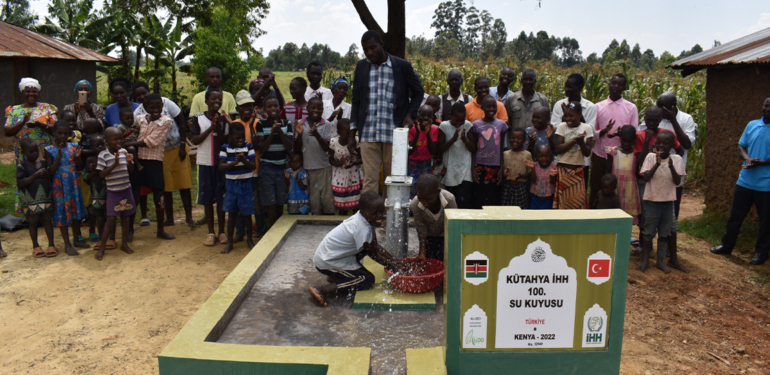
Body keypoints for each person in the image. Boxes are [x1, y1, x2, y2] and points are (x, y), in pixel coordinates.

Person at [350, 30, 424, 196]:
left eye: (373, 48)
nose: (370, 53)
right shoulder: (362, 67)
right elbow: (356, 100)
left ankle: (388, 219)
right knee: (370, 179)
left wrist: (410, 114)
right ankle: (368, 218)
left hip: (394, 132)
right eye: (366, 50)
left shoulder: (401, 66)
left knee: (393, 179)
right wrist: (352, 131)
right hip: (368, 132)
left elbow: (418, 92)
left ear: (381, 45)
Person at [309, 192, 410, 307]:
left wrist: (395, 261)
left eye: (382, 212)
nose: (379, 216)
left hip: (333, 255)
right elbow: (374, 254)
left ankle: (337, 276)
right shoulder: (362, 228)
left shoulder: (365, 219)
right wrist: (394, 266)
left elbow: (375, 247)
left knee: (365, 249)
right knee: (366, 279)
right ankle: (323, 289)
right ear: (363, 211)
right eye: (375, 213)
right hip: (327, 261)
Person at [711, 97, 770, 266]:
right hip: (745, 181)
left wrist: (761, 163)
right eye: (766, 105)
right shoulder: (752, 125)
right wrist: (747, 159)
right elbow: (740, 146)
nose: (768, 109)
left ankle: (761, 252)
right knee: (735, 216)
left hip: (766, 184)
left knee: (766, 220)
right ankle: (726, 246)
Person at [132, 81, 195, 229]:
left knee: (184, 185)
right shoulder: (139, 113)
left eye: (144, 93)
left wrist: (182, 145)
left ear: (149, 91)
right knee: (166, 187)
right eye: (138, 95)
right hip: (159, 154)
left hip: (177, 148)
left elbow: (182, 123)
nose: (142, 96)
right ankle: (170, 218)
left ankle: (189, 217)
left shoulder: (166, 103)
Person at [642, 92, 696, 259]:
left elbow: (686, 144)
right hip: (653, 175)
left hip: (672, 177)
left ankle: (666, 247)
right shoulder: (654, 118)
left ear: (672, 106)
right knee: (650, 213)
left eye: (662, 107)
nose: (659, 110)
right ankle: (647, 244)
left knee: (671, 214)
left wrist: (673, 120)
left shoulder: (686, 119)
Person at [123, 94, 175, 241]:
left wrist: (129, 144)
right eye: (152, 107)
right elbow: (130, 132)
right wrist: (128, 142)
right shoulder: (140, 119)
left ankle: (160, 229)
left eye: (159, 106)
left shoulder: (166, 121)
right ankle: (130, 229)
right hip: (138, 160)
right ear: (146, 107)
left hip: (154, 161)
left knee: (159, 195)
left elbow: (150, 141)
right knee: (135, 194)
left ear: (162, 106)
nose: (156, 109)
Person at [5, 78, 56, 213]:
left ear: (38, 92)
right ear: (23, 92)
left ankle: (48, 209)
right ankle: (29, 209)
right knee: (26, 177)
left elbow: (56, 127)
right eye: (27, 91)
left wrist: (39, 124)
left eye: (34, 91)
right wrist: (23, 122)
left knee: (45, 175)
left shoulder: (46, 108)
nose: (31, 94)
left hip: (44, 152)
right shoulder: (14, 110)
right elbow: (7, 131)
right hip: (23, 153)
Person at [638, 131, 686, 273]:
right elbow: (646, 178)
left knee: (665, 232)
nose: (661, 145)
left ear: (672, 145)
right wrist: (657, 165)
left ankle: (660, 261)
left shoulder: (676, 159)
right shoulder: (651, 157)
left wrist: (670, 167)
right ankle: (646, 259)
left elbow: (677, 182)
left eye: (665, 143)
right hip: (652, 200)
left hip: (668, 201)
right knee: (648, 231)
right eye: (658, 142)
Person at [591, 73, 638, 208]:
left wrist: (620, 134)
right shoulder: (598, 107)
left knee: (617, 189)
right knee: (596, 187)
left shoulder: (631, 108)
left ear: (624, 87)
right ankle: (594, 219)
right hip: (600, 154)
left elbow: (633, 131)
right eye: (614, 83)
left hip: (620, 157)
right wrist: (604, 131)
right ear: (609, 84)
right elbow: (592, 132)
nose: (616, 86)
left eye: (620, 84)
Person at [191, 89, 229, 246]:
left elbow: (225, 140)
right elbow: (195, 140)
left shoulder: (224, 119)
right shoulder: (198, 119)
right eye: (213, 99)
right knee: (207, 200)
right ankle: (210, 231)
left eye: (219, 99)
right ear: (206, 101)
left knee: (220, 199)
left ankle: (221, 231)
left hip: (220, 164)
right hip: (205, 162)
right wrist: (210, 129)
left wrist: (218, 128)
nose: (217, 101)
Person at [45, 120, 88, 255]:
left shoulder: (74, 146)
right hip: (59, 185)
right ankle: (67, 244)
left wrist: (77, 158)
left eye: (65, 133)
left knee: (76, 211)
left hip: (73, 182)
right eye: (60, 133)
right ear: (54, 133)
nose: (63, 136)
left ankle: (77, 238)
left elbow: (80, 167)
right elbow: (50, 171)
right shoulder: (49, 149)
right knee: (62, 212)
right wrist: (59, 156)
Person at [95, 127, 136, 261]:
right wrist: (115, 163)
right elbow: (101, 174)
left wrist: (130, 161)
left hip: (126, 190)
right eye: (115, 139)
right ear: (107, 141)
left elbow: (130, 171)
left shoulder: (124, 152)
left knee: (126, 217)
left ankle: (124, 244)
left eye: (120, 138)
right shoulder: (103, 155)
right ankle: (102, 247)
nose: (119, 141)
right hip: (113, 192)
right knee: (111, 219)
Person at [231, 90, 266, 239]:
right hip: (238, 172)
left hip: (255, 171)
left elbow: (257, 145)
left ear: (254, 107)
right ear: (237, 108)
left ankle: (260, 231)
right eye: (243, 106)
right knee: (240, 202)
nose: (246, 108)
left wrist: (251, 126)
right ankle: (240, 232)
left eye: (249, 105)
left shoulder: (259, 123)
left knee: (256, 203)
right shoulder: (234, 124)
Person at [551, 74, 597, 186]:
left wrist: (576, 116)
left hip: (580, 162)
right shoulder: (558, 105)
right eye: (566, 86)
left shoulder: (590, 107)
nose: (567, 90)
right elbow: (556, 128)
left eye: (570, 87)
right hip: (562, 160)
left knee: (579, 193)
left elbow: (590, 130)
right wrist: (566, 114)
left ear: (580, 87)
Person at [219, 122, 257, 254]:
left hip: (246, 184)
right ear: (230, 136)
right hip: (231, 185)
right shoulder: (225, 148)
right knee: (232, 214)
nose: (240, 140)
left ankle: (249, 240)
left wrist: (243, 160)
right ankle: (230, 242)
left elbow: (253, 166)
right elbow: (221, 166)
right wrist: (234, 162)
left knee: (247, 214)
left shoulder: (249, 146)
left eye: (242, 137)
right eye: (237, 138)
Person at [294, 97, 336, 215]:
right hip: (308, 167)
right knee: (313, 198)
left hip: (324, 166)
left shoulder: (326, 124)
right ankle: (315, 219)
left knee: (327, 196)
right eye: (312, 107)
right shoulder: (301, 123)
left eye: (319, 108)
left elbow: (327, 148)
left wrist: (317, 135)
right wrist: (299, 134)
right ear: (307, 108)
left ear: (323, 110)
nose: (316, 110)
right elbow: (297, 148)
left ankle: (329, 219)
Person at [256, 96, 293, 228]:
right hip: (266, 167)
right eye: (269, 106)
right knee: (270, 202)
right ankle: (272, 229)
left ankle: (278, 229)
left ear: (280, 107)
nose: (273, 109)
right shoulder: (261, 124)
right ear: (265, 109)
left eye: (275, 106)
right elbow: (262, 148)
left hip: (282, 167)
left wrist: (279, 132)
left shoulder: (286, 124)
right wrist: (272, 133)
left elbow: (289, 146)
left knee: (279, 202)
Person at [17, 138, 56, 258]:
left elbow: (50, 176)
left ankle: (51, 244)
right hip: (32, 200)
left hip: (46, 198)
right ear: (23, 152)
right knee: (33, 222)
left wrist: (47, 174)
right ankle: (36, 246)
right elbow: (21, 183)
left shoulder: (43, 163)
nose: (35, 153)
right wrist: (35, 175)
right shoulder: (22, 166)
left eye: (36, 151)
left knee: (47, 221)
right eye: (31, 152)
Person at [553, 102, 593, 209]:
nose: (568, 119)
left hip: (578, 170)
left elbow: (587, 153)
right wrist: (573, 142)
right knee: (563, 201)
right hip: (563, 170)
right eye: (566, 116)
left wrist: (581, 143)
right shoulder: (562, 127)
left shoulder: (587, 128)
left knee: (578, 201)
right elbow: (558, 149)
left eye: (571, 116)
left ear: (579, 115)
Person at [411, 174, 457, 262]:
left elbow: (453, 227)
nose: (425, 203)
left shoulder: (449, 200)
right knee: (430, 262)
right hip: (429, 237)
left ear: (438, 192)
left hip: (447, 236)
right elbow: (421, 229)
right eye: (421, 198)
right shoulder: (415, 204)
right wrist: (422, 252)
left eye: (429, 199)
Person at [472, 96, 508, 208]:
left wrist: (502, 167)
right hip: (480, 165)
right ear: (482, 108)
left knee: (494, 197)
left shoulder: (502, 125)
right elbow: (474, 148)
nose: (491, 109)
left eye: (494, 106)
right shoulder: (476, 124)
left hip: (495, 166)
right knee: (479, 196)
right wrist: (472, 167)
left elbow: (501, 148)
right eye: (488, 106)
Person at [438, 103, 475, 208]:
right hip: (450, 168)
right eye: (456, 120)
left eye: (461, 120)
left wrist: (465, 139)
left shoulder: (468, 125)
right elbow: (440, 148)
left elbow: (473, 148)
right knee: (451, 200)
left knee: (463, 199)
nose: (459, 123)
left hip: (465, 167)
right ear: (450, 115)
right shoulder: (444, 126)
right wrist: (453, 139)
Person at [605, 125, 641, 224]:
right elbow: (607, 171)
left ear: (634, 139)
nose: (626, 143)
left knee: (628, 214)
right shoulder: (613, 152)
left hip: (630, 189)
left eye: (629, 141)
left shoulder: (636, 154)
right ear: (620, 138)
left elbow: (637, 173)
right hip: (615, 187)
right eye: (624, 140)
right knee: (614, 213)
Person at [329, 119, 363, 214]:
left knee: (356, 205)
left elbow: (362, 159)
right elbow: (330, 159)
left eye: (351, 133)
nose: (349, 136)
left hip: (353, 177)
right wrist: (340, 163)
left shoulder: (355, 141)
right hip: (340, 178)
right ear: (339, 132)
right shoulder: (334, 142)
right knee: (342, 206)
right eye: (346, 133)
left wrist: (353, 163)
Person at [408, 105, 440, 198]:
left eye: (429, 116)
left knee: (426, 191)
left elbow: (433, 151)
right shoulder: (412, 129)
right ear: (418, 115)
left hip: (426, 165)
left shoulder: (434, 129)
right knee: (412, 190)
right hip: (413, 165)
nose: (425, 118)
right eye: (423, 115)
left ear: (432, 117)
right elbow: (410, 151)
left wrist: (428, 133)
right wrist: (418, 133)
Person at [84, 135, 107, 244]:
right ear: (91, 147)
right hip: (96, 193)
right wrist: (94, 171)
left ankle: (109, 237)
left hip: (109, 192)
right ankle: (101, 237)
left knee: (108, 215)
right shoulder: (90, 160)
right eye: (96, 145)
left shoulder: (108, 158)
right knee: (98, 216)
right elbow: (86, 177)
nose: (100, 147)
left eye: (102, 144)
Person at [501, 128, 531, 208]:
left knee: (521, 209)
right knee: (506, 209)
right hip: (507, 186)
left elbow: (530, 172)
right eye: (513, 138)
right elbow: (502, 171)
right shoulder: (505, 154)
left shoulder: (527, 154)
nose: (515, 140)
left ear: (524, 140)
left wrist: (521, 176)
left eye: (519, 138)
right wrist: (504, 174)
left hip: (521, 187)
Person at [526, 145, 558, 209]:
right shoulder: (534, 165)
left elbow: (553, 182)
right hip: (535, 197)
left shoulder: (553, 166)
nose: (544, 159)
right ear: (536, 157)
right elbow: (533, 180)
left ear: (551, 157)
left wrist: (552, 175)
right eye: (541, 156)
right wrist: (532, 169)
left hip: (548, 198)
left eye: (546, 156)